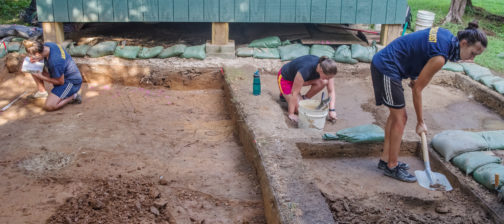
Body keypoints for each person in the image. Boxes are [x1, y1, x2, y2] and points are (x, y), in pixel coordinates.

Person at [371, 21, 487, 182]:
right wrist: (420, 122)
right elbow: (417, 90)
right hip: (387, 67)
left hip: (392, 65)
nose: (472, 59)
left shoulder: (446, 35)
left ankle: (386, 160)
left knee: (396, 115)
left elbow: (418, 49)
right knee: (401, 118)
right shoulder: (440, 57)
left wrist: (414, 76)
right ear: (464, 43)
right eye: (473, 53)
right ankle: (392, 166)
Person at [23, 40, 83, 111]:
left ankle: (73, 96)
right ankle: (42, 92)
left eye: (32, 55)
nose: (31, 57)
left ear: (37, 54)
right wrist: (36, 61)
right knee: (32, 66)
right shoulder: (48, 45)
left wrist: (40, 76)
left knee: (49, 106)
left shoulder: (55, 62)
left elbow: (61, 82)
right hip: (63, 75)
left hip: (71, 82)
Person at [277, 55, 338, 122]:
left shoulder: (327, 68)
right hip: (286, 79)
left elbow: (331, 91)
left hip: (300, 79)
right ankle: (284, 95)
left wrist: (332, 110)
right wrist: (291, 114)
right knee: (298, 110)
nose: (329, 79)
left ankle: (304, 98)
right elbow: (294, 93)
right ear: (321, 70)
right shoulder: (305, 70)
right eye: (327, 77)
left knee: (323, 81)